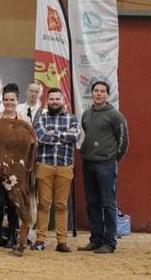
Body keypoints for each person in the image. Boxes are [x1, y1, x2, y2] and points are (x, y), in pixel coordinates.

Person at [78, 81, 129, 254]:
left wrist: (114, 158)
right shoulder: (86, 114)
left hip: (106, 164)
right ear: (91, 94)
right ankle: (96, 239)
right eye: (96, 91)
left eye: (102, 91)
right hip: (88, 163)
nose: (99, 94)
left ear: (107, 95)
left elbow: (123, 141)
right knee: (92, 203)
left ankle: (109, 242)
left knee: (108, 204)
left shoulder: (115, 116)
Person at [31, 88, 79, 253]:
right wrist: (64, 135)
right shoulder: (41, 117)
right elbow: (42, 137)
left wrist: (55, 133)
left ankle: (62, 241)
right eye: (51, 99)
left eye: (57, 99)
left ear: (63, 100)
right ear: (47, 100)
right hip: (45, 165)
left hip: (65, 166)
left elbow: (75, 137)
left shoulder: (72, 118)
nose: (54, 102)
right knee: (43, 204)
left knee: (61, 205)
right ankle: (40, 240)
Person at [0, 83, 30, 248]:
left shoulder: (25, 121)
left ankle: (12, 235)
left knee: (14, 203)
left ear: (17, 101)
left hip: (16, 172)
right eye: (6, 99)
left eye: (12, 100)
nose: (9, 103)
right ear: (2, 100)